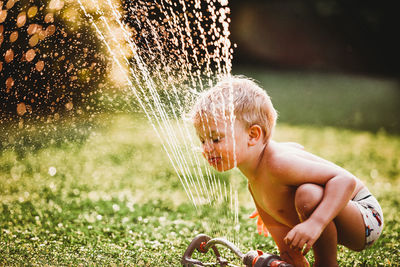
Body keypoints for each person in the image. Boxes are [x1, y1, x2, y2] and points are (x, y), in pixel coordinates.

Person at [190, 76, 383, 267]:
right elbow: (275, 224)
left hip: (365, 217)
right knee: (302, 196)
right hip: (343, 212)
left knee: (308, 195)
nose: (207, 148)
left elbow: (345, 180)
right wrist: (291, 256)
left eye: (215, 139)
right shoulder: (254, 178)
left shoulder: (278, 163)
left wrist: (315, 222)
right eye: (202, 141)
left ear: (252, 135)